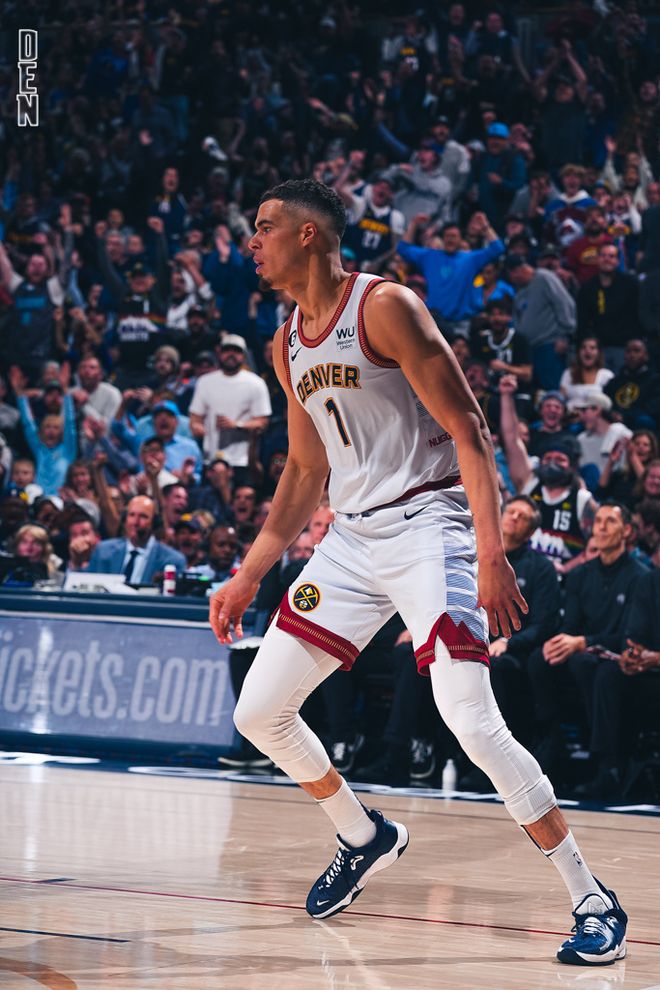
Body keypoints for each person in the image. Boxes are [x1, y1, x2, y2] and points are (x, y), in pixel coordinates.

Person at [208, 179, 627, 966]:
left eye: (264, 226)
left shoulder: (385, 307)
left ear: (308, 234)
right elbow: (303, 470)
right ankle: (362, 835)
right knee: (259, 711)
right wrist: (247, 574)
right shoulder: (286, 341)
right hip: (351, 539)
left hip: (430, 525)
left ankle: (593, 898)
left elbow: (470, 429)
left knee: (470, 719)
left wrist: (491, 552)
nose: (251, 241)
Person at [88, 494, 185, 583]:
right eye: (131, 515)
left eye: (143, 516)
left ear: (154, 522)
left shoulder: (172, 561)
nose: (135, 522)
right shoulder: (103, 551)